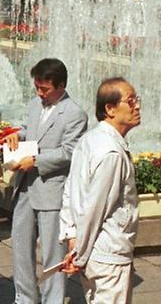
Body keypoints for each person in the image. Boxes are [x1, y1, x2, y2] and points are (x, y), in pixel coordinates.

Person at [4, 58, 88, 304]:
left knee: (53, 252)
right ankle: (25, 298)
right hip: (25, 186)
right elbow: (27, 129)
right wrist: (15, 136)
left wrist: (37, 161)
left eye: (45, 89)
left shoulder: (74, 114)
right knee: (20, 248)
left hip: (51, 189)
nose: (40, 93)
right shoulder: (34, 104)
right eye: (37, 87)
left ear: (61, 86)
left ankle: (53, 299)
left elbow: (70, 151)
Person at [60, 78, 141, 304]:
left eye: (137, 99)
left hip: (99, 250)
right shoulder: (110, 152)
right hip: (108, 252)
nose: (137, 106)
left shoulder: (91, 139)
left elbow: (71, 192)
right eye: (131, 101)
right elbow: (95, 208)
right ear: (110, 109)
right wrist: (79, 255)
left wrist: (72, 237)